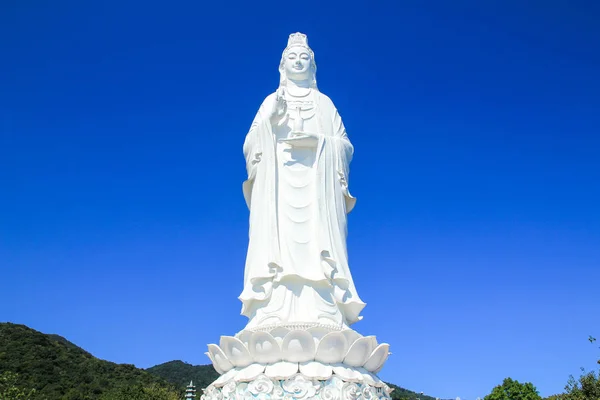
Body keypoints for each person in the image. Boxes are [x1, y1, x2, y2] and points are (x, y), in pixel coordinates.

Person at [239, 33, 365, 330]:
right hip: (279, 186)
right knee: (277, 245)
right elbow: (249, 146)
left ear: (313, 64)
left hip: (317, 187)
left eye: (304, 57)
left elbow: (345, 146)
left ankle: (324, 307)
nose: (298, 61)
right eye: (292, 58)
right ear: (282, 65)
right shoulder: (271, 101)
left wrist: (318, 142)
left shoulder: (325, 105)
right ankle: (273, 308)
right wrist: (269, 122)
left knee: (319, 245)